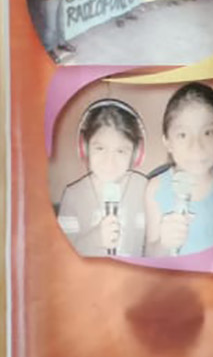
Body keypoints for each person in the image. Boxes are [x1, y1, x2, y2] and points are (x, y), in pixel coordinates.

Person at [144, 83, 213, 256]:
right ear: (167, 142)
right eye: (183, 135)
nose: (196, 147)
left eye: (207, 133)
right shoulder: (154, 189)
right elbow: (150, 254)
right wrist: (164, 243)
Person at [56, 99, 148, 257]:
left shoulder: (145, 189)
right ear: (84, 148)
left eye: (120, 151)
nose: (109, 162)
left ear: (136, 154)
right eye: (100, 148)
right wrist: (94, 239)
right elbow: (61, 256)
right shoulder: (73, 196)